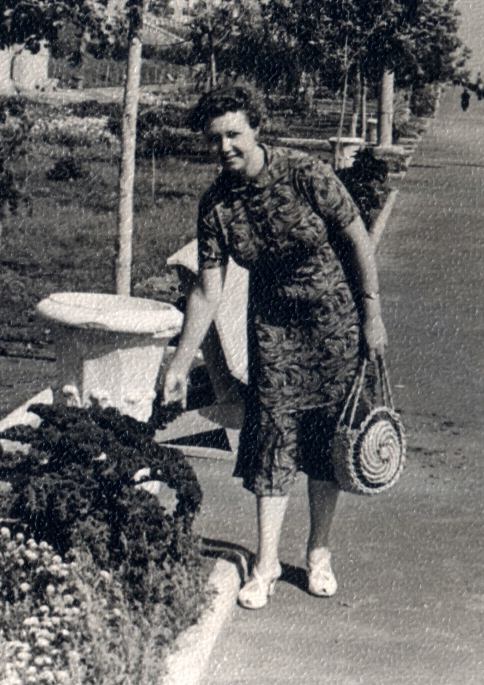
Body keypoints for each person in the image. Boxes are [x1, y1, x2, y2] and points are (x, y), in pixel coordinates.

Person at [161, 85, 387, 609]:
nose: (224, 147)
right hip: (274, 330)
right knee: (273, 440)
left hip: (335, 321)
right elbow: (208, 288)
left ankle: (319, 553)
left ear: (256, 128)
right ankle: (264, 564)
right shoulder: (216, 204)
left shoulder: (305, 173)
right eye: (215, 137)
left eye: (234, 134)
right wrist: (179, 359)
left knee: (327, 438)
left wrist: (372, 312)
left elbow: (356, 236)